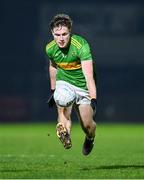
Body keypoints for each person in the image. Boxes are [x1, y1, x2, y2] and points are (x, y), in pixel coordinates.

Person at [45, 13, 97, 156]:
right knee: (62, 104)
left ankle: (90, 138)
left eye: (64, 34)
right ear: (52, 33)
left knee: (87, 125)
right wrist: (53, 90)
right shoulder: (50, 48)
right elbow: (53, 67)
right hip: (64, 83)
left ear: (70, 32)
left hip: (82, 85)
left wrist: (93, 98)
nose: (61, 39)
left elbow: (89, 76)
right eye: (57, 35)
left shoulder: (81, 46)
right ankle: (65, 133)